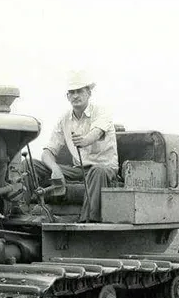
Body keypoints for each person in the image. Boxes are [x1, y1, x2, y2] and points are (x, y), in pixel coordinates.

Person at [31, 70, 119, 222]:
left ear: (89, 93)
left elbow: (96, 133)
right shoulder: (64, 119)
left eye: (80, 91)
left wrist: (84, 140)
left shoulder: (102, 113)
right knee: (31, 165)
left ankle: (88, 221)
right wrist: (55, 169)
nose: (76, 95)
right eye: (72, 92)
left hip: (104, 168)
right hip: (78, 170)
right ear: (67, 96)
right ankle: (22, 211)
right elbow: (48, 151)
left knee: (97, 172)